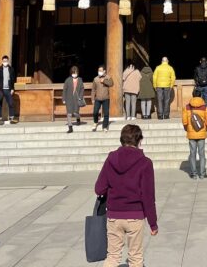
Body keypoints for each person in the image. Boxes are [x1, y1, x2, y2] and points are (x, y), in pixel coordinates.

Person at [94, 123, 158, 267]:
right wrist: (153, 223)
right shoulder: (145, 163)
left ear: (121, 140)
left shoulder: (111, 159)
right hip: (135, 216)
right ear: (139, 140)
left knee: (112, 257)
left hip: (114, 215)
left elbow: (99, 188)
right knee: (135, 258)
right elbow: (148, 197)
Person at [181, 87, 207, 179]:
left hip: (191, 134)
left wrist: (187, 129)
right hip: (201, 133)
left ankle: (193, 174)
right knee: (202, 154)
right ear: (200, 95)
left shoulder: (187, 107)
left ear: (193, 95)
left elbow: (184, 121)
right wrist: (205, 129)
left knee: (192, 154)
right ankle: (202, 174)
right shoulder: (205, 107)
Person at [0, 55, 17, 125]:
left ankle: (12, 118)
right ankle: (0, 119)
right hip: (0, 89)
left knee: (11, 103)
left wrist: (12, 88)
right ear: (2, 61)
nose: (5, 62)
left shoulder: (11, 69)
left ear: (8, 61)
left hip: (8, 89)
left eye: (6, 61)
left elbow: (13, 80)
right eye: (4, 61)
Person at [63, 66, 85, 133]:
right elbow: (64, 90)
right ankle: (70, 127)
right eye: (73, 73)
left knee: (76, 112)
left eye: (75, 73)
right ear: (71, 73)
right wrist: (64, 99)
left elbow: (82, 89)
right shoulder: (67, 80)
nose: (74, 74)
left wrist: (80, 97)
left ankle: (78, 118)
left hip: (76, 99)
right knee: (69, 113)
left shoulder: (80, 80)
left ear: (77, 73)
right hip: (68, 98)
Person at [93, 65, 114, 132]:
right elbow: (93, 89)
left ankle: (105, 126)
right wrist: (93, 98)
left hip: (106, 98)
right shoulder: (95, 79)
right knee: (95, 112)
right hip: (97, 99)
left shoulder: (108, 77)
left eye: (101, 70)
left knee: (106, 113)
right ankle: (95, 122)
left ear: (104, 71)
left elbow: (111, 84)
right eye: (99, 70)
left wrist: (104, 81)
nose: (99, 72)